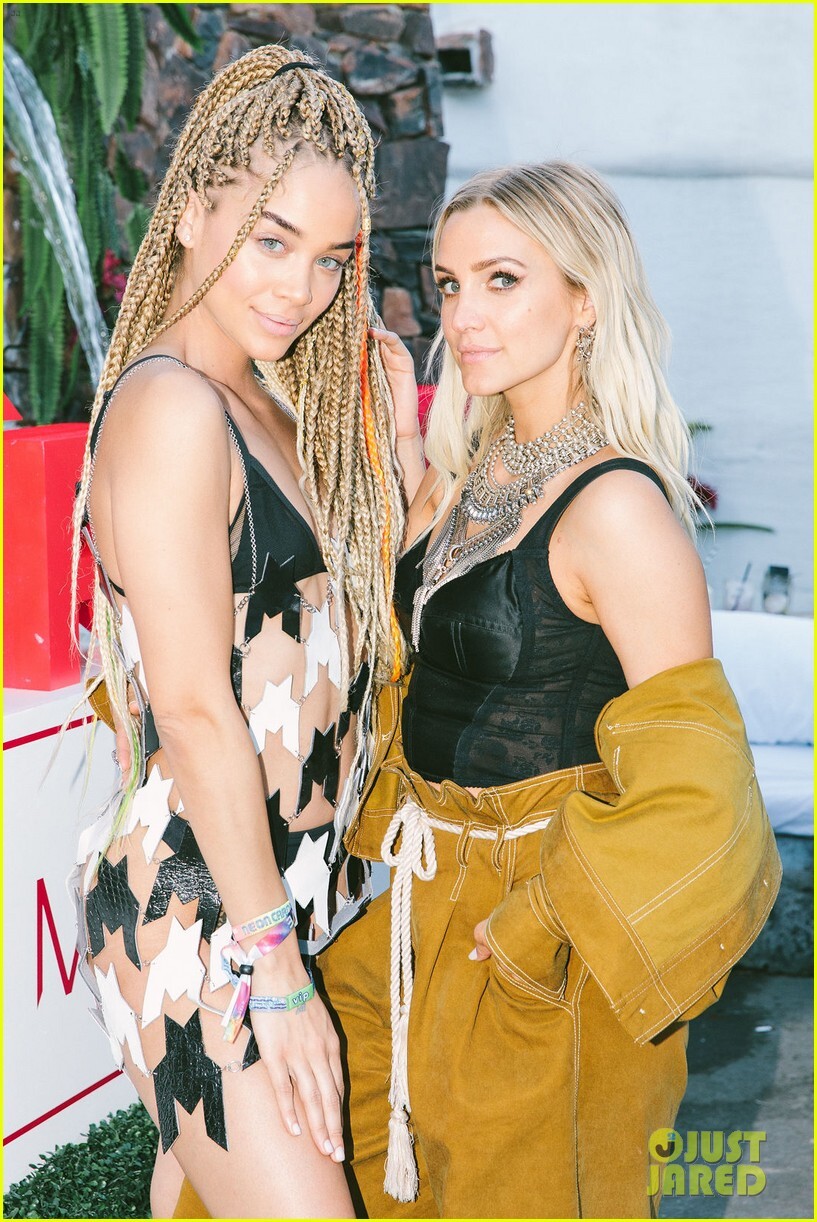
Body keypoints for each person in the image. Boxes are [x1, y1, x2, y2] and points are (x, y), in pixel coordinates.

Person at [317, 162, 782, 1218]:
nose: (462, 316)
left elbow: (701, 790)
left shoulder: (617, 509)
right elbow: (410, 654)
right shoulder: (472, 473)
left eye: (501, 279)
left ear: (584, 299)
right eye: (448, 285)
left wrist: (540, 923)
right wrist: (401, 450)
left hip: (534, 940)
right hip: (409, 911)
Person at [69, 45, 422, 1219]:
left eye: (330, 259)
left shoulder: (262, 399)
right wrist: (275, 965)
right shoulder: (172, 406)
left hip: (276, 892)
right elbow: (192, 706)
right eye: (271, 241)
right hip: (204, 910)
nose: (300, 288)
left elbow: (327, 641)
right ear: (189, 211)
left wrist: (396, 448)